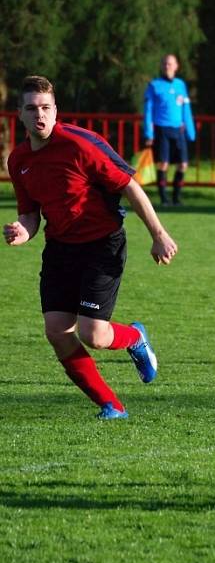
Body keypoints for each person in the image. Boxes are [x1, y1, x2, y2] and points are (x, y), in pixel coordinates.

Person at [4, 75, 178, 420]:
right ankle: (111, 405)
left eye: (46, 108)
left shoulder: (80, 144)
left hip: (102, 244)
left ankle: (134, 338)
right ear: (20, 115)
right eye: (31, 108)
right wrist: (22, 231)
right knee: (57, 330)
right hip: (60, 248)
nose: (39, 114)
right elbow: (30, 215)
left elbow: (129, 184)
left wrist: (158, 234)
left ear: (55, 111)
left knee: (94, 335)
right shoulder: (19, 160)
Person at [143, 54, 196, 206]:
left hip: (178, 130)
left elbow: (186, 108)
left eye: (170, 64)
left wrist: (190, 131)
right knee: (163, 163)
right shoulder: (154, 85)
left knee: (183, 164)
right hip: (161, 129)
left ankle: (176, 198)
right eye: (165, 63)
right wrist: (149, 132)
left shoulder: (180, 85)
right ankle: (164, 199)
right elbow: (148, 110)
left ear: (176, 66)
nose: (168, 66)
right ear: (162, 66)